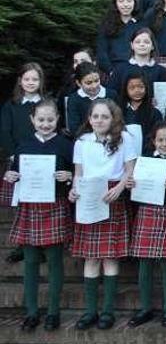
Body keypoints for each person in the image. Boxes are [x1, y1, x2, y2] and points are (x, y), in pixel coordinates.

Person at [3, 100, 72, 331]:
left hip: (55, 205)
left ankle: (53, 312)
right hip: (30, 207)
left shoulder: (65, 145)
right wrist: (11, 176)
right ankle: (31, 312)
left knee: (54, 261)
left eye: (50, 120)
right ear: (32, 119)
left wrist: (68, 176)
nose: (45, 124)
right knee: (31, 261)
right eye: (41, 120)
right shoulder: (23, 146)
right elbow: (16, 174)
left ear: (57, 120)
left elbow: (75, 173)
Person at [69, 99, 137, 330]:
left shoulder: (125, 138)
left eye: (104, 117)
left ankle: (107, 312)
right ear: (89, 119)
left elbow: (130, 170)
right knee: (91, 257)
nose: (99, 120)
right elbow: (78, 173)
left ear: (113, 118)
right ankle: (90, 312)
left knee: (110, 257)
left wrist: (118, 189)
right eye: (95, 116)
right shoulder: (81, 142)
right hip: (89, 198)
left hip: (113, 197)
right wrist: (73, 191)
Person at [126, 122, 166, 328]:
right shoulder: (144, 161)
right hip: (146, 211)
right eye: (160, 140)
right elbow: (134, 185)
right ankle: (145, 308)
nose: (164, 144)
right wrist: (131, 184)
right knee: (145, 263)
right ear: (153, 141)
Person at [96, 0, 142, 73]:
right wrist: (111, 71)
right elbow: (102, 53)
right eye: (121, 1)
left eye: (129, 0)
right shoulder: (106, 25)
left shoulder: (141, 25)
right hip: (114, 71)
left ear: (135, 2)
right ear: (115, 4)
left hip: (137, 71)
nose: (125, 4)